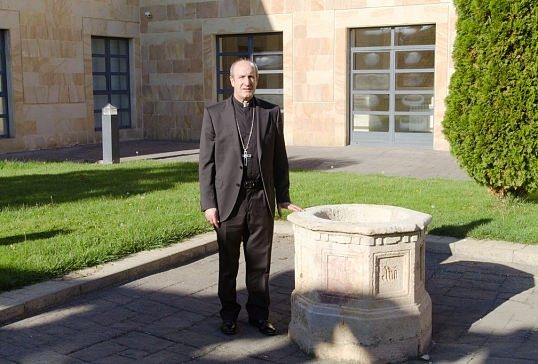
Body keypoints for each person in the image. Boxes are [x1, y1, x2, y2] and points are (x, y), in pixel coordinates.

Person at [199, 59, 303, 336]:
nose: (247, 82)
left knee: (260, 263)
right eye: (242, 77)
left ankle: (259, 315)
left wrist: (283, 196)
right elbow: (206, 164)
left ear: (257, 80)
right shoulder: (214, 114)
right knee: (228, 264)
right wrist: (208, 204)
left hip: (261, 199)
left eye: (252, 77)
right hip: (228, 202)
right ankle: (228, 315)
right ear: (231, 80)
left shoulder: (270, 112)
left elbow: (280, 159)